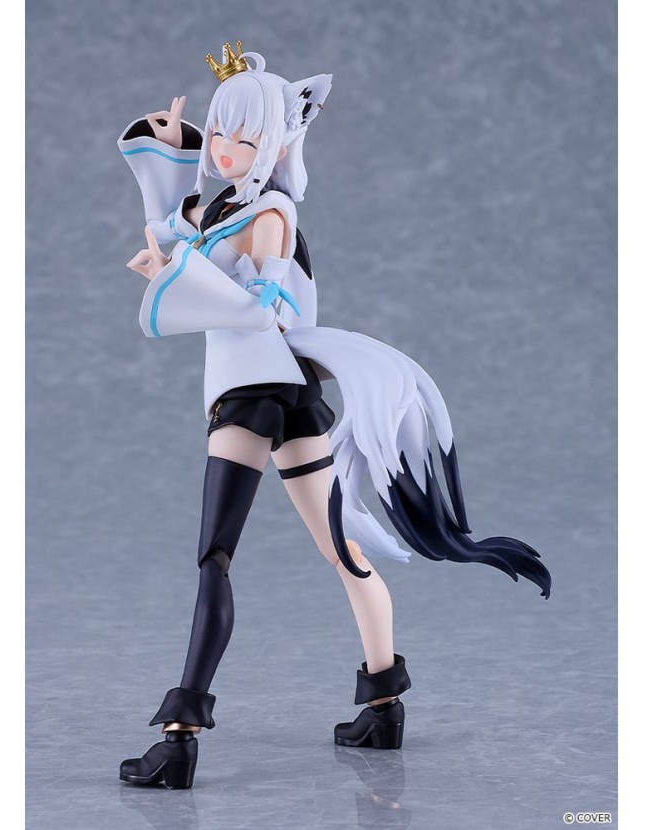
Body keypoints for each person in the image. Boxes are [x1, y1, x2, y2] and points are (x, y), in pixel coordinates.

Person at [117, 42, 551, 790]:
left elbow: (260, 309)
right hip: (288, 397)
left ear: (275, 142)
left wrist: (174, 275)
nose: (224, 149)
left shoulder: (271, 215)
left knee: (216, 557)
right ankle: (383, 707)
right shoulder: (228, 207)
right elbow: (173, 230)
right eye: (219, 132)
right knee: (343, 549)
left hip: (253, 395)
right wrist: (171, 148)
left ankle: (179, 736)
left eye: (243, 136)